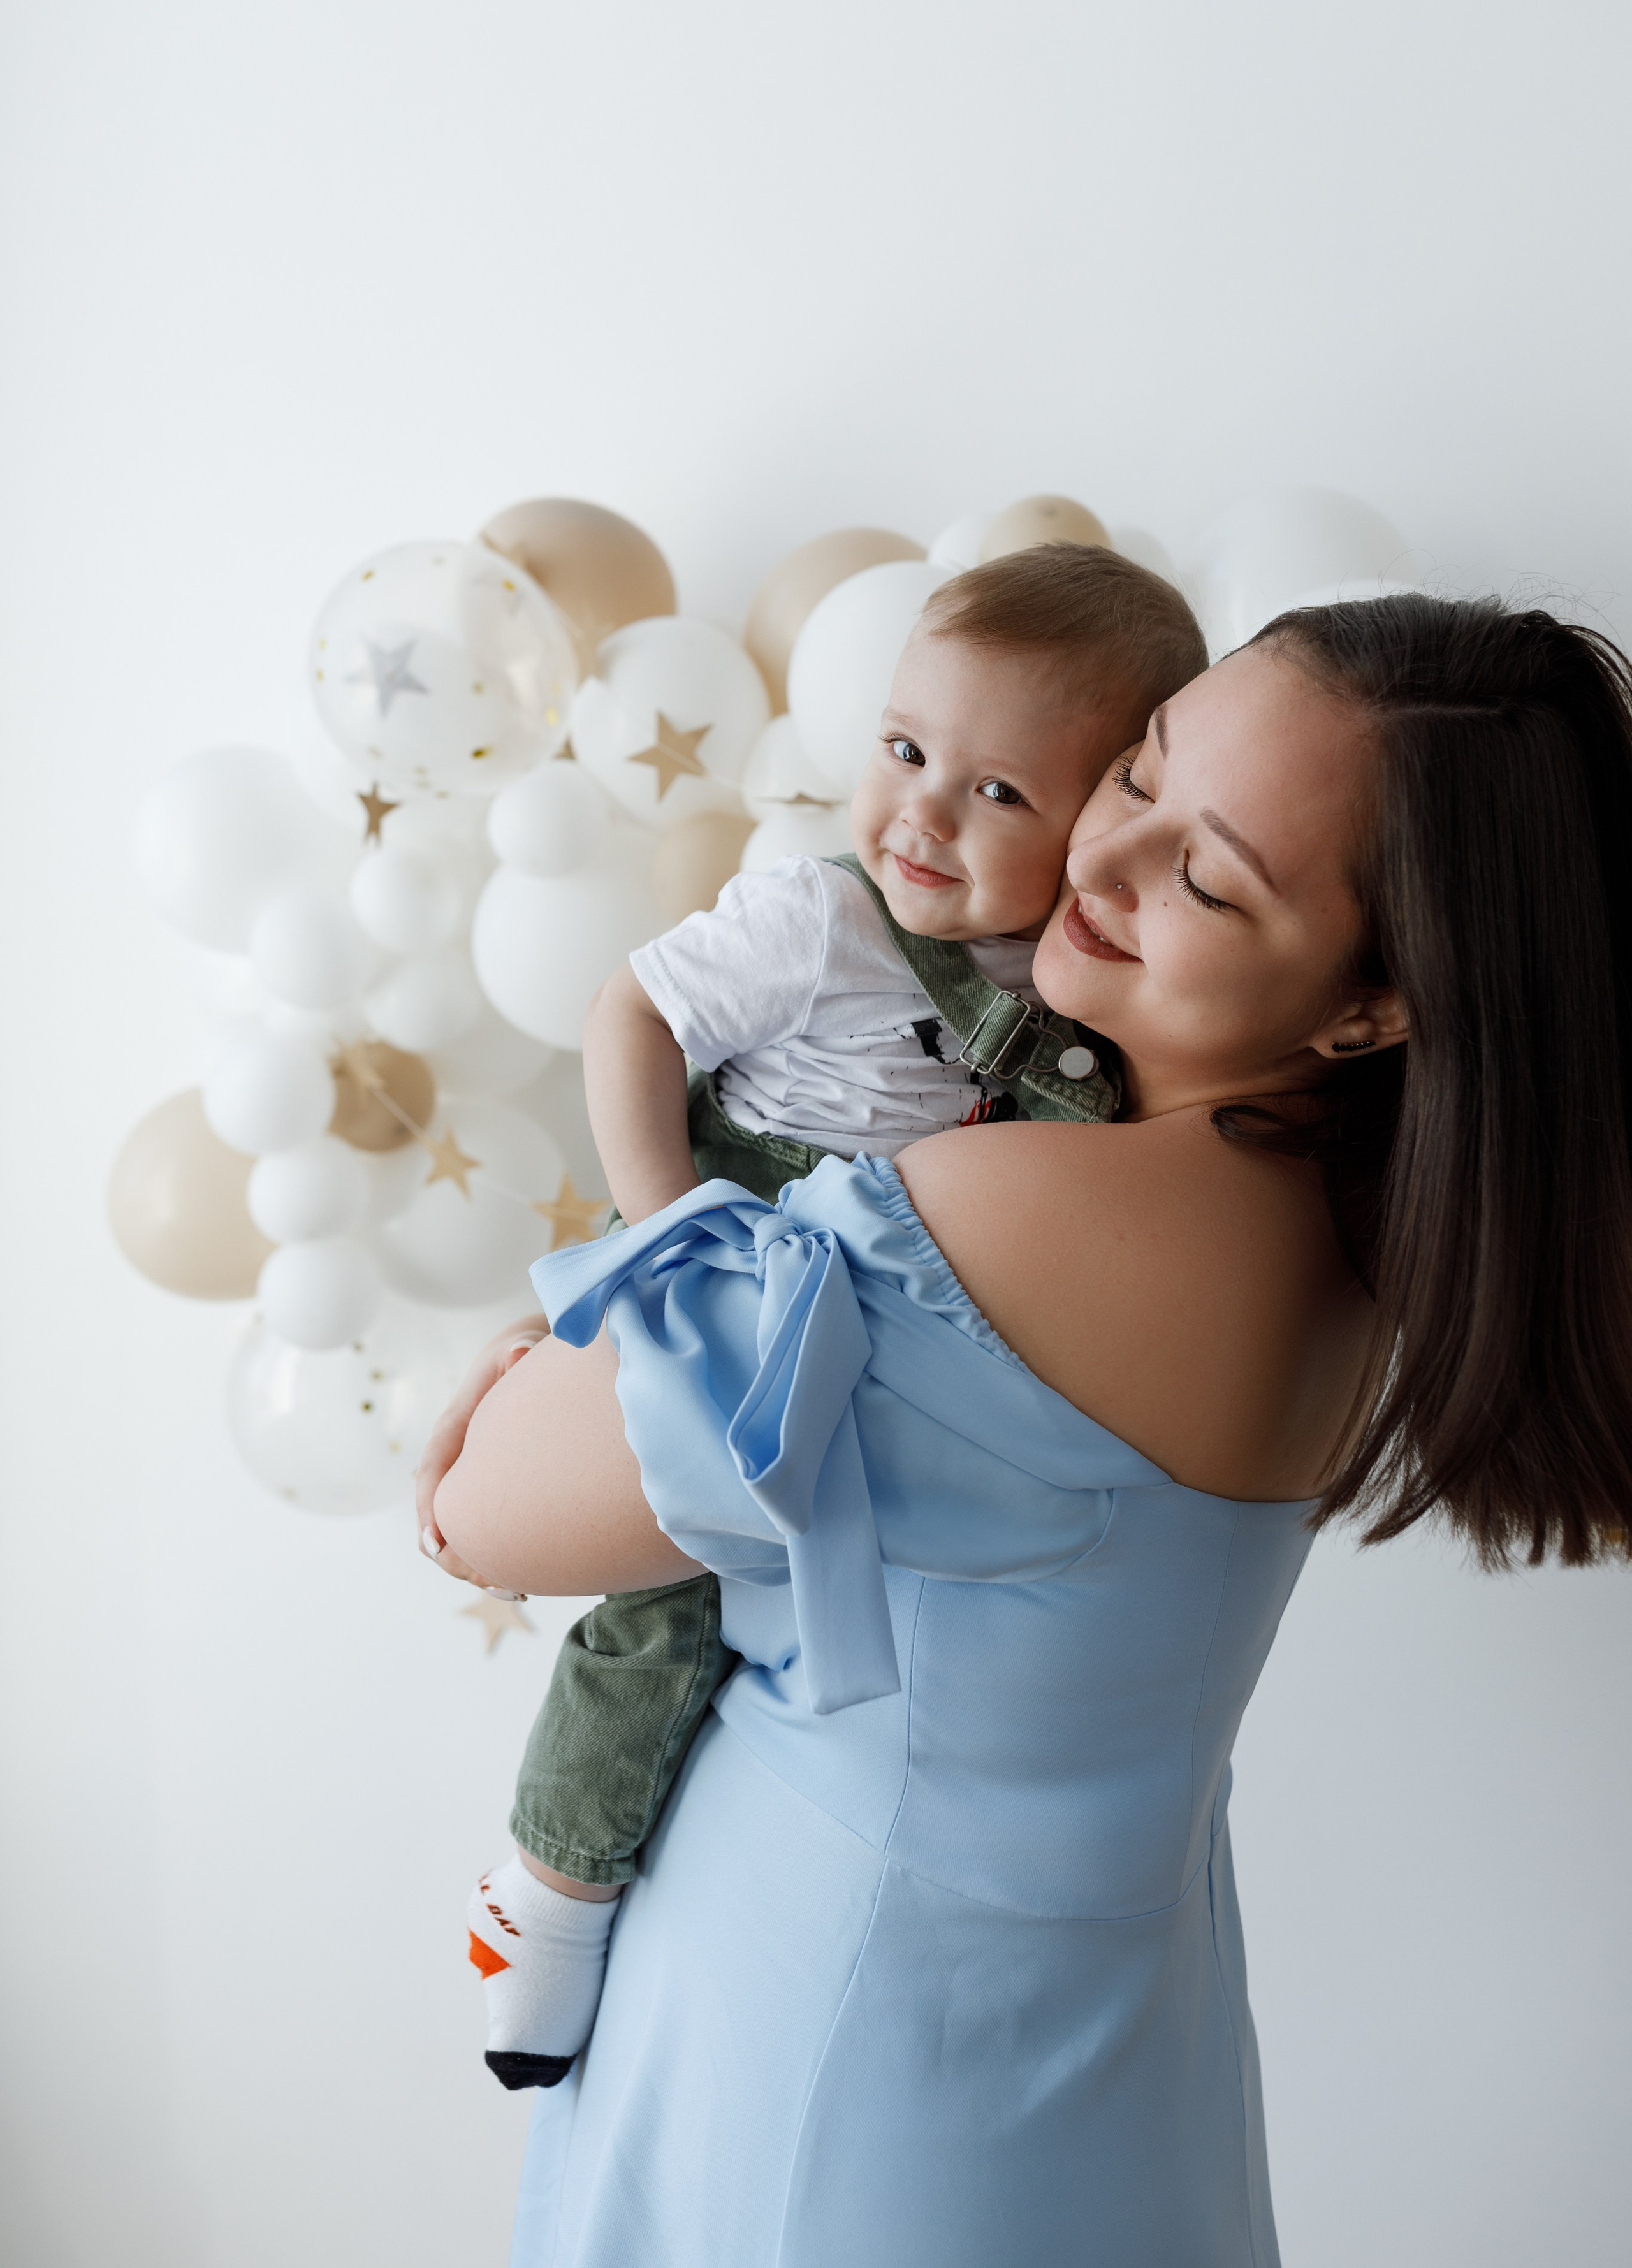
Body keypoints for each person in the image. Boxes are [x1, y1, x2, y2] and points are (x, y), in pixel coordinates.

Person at [435, 593, 1632, 2268]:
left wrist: (535, 1352)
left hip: (838, 2081)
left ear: (1373, 1009)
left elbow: (483, 1507)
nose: (1103, 857)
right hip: (1106, 2061)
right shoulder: (1354, 1252)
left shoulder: (1009, 1224)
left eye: (1209, 877)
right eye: (1138, 768)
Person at [419, 542, 1207, 2084]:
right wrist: (666, 1229)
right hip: (742, 1228)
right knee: (671, 1603)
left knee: (795, 1612)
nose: (921, 810)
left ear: (1105, 816)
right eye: (906, 750)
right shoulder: (823, 919)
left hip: (887, 1311)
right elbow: (632, 1013)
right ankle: (550, 1886)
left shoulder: (1079, 992)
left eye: (999, 794)